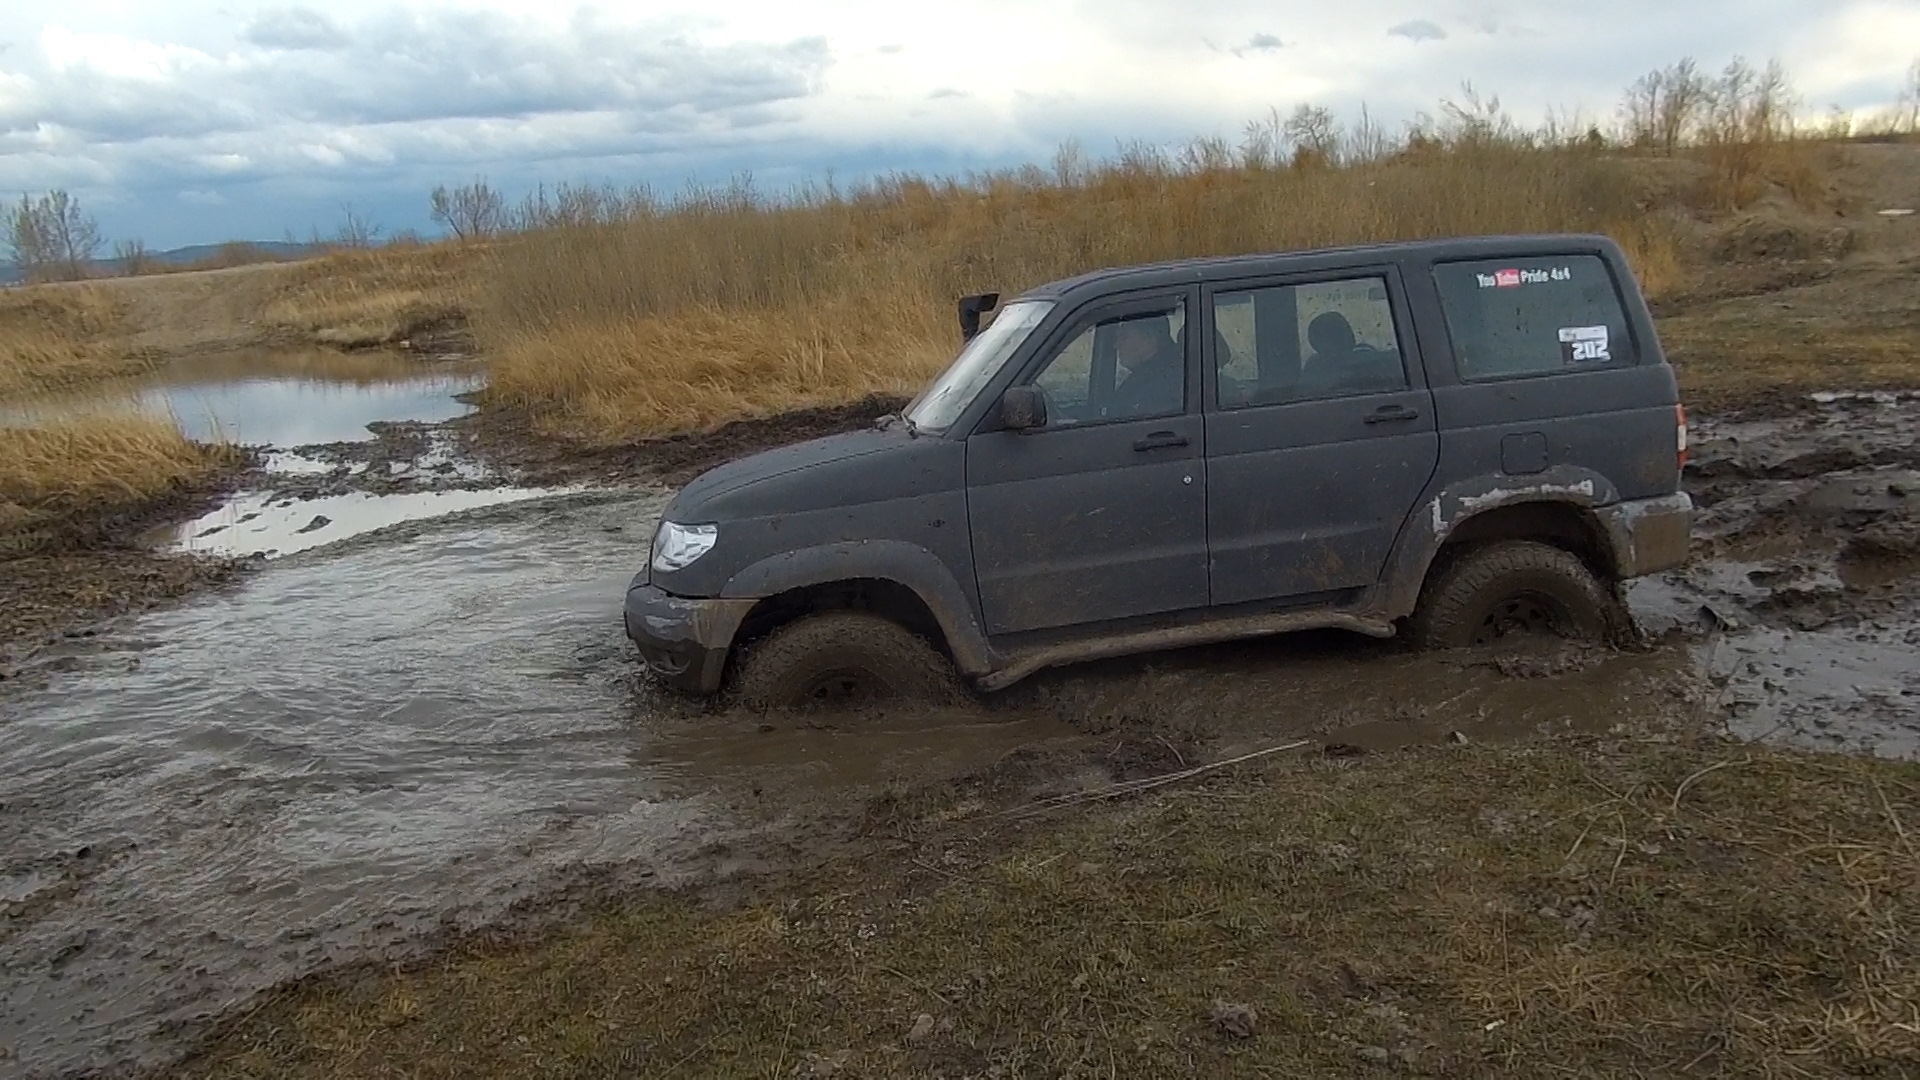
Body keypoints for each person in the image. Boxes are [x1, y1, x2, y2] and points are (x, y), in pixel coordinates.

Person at [1109, 314, 1184, 418]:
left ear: (1148, 339)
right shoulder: (1147, 376)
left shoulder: (1164, 385)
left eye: (1124, 337)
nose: (1116, 345)